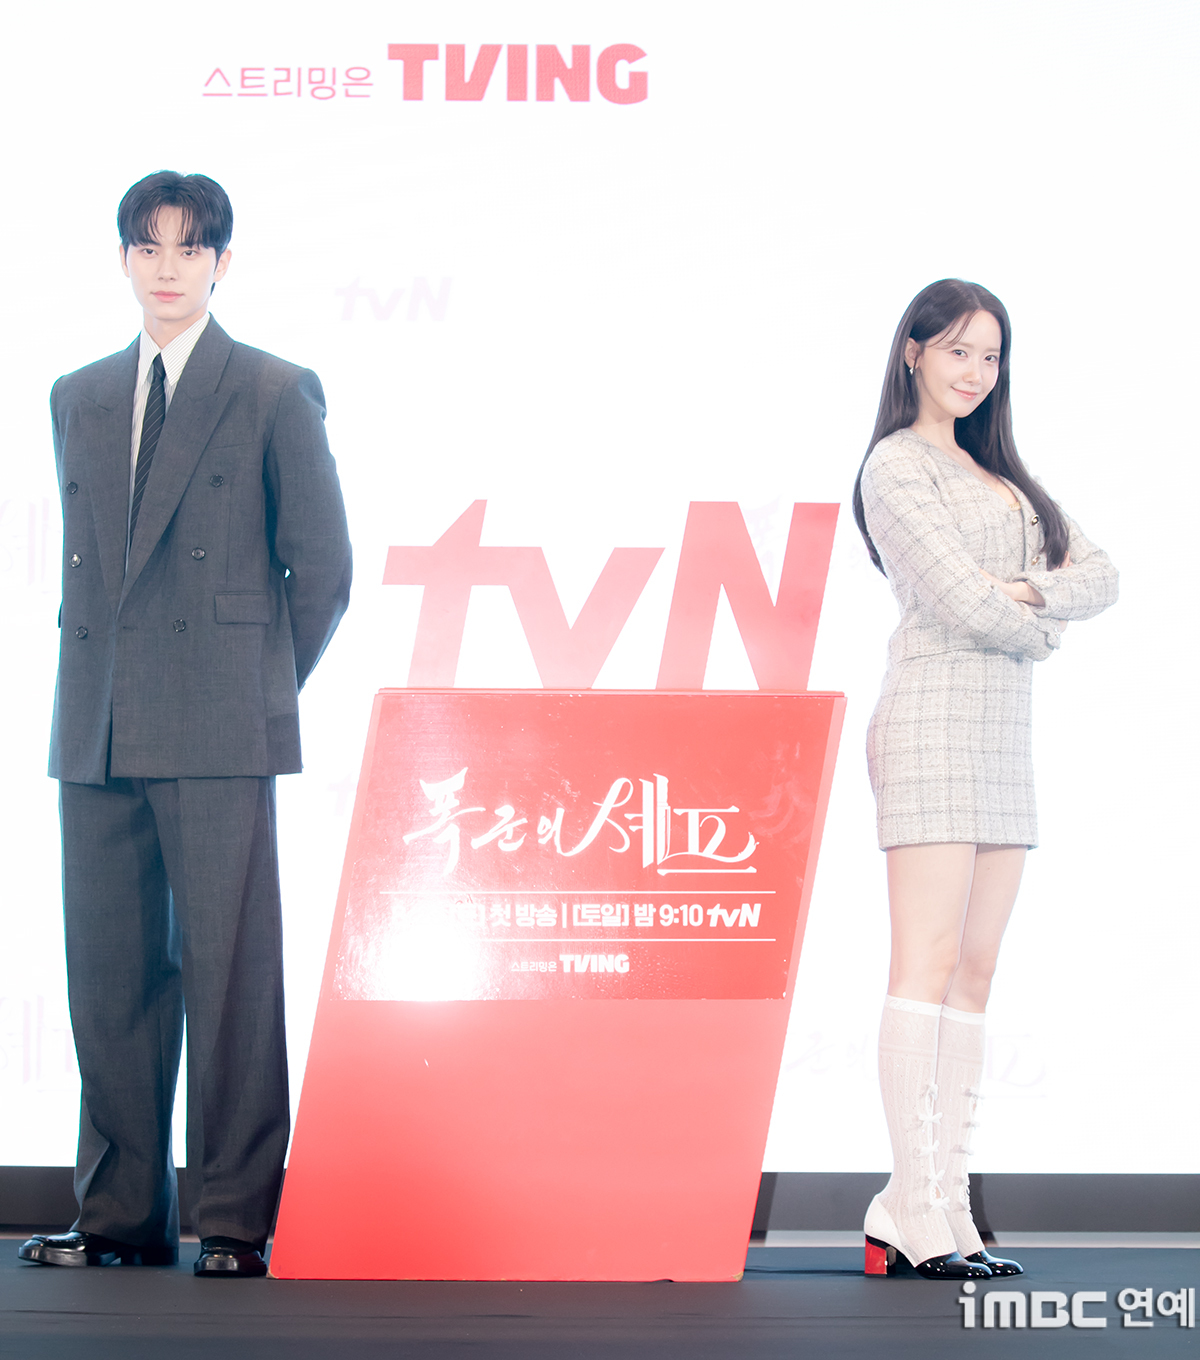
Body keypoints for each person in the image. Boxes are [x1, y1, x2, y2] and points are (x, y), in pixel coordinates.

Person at [18, 172, 352, 1278]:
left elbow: (323, 568)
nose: (168, 268)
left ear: (221, 263)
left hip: (218, 723)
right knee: (108, 976)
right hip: (98, 721)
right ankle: (119, 1212)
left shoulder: (271, 389)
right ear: (124, 258)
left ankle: (235, 1218)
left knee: (230, 975)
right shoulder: (77, 395)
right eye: (149, 247)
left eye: (189, 248)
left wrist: (252, 687)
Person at [851, 279, 1117, 1280]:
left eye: (991, 356)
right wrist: (1041, 620)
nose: (975, 372)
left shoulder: (1005, 477)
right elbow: (959, 601)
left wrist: (1025, 592)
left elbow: (1103, 575)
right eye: (958, 350)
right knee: (922, 964)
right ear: (913, 352)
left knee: (975, 971)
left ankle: (944, 1202)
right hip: (929, 721)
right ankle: (913, 1204)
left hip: (1003, 733)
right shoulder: (896, 465)